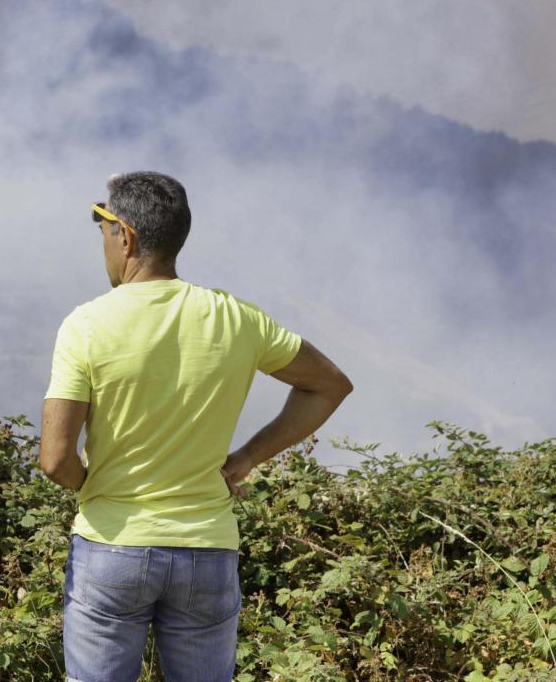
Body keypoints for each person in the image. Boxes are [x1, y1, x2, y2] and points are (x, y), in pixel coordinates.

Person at [39, 171, 353, 682]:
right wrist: (248, 457)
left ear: (127, 236)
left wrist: (94, 486)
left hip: (113, 544)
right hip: (207, 548)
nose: (101, 239)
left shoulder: (86, 324)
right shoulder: (237, 318)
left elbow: (54, 459)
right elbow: (330, 385)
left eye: (102, 226)